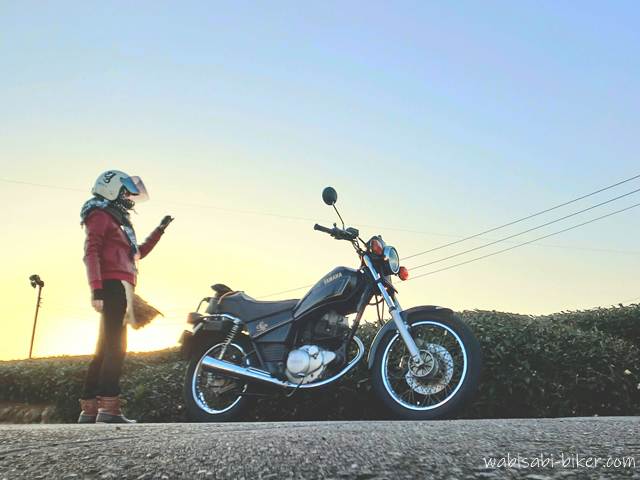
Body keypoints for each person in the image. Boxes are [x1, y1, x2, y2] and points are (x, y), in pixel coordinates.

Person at [78, 170, 174, 424]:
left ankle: (89, 410)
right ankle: (109, 409)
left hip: (120, 286)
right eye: (125, 192)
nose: (129, 197)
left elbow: (137, 253)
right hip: (112, 286)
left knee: (104, 349)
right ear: (110, 189)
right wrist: (97, 289)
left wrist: (159, 231)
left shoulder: (117, 220)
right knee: (116, 348)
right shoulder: (100, 215)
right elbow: (91, 252)